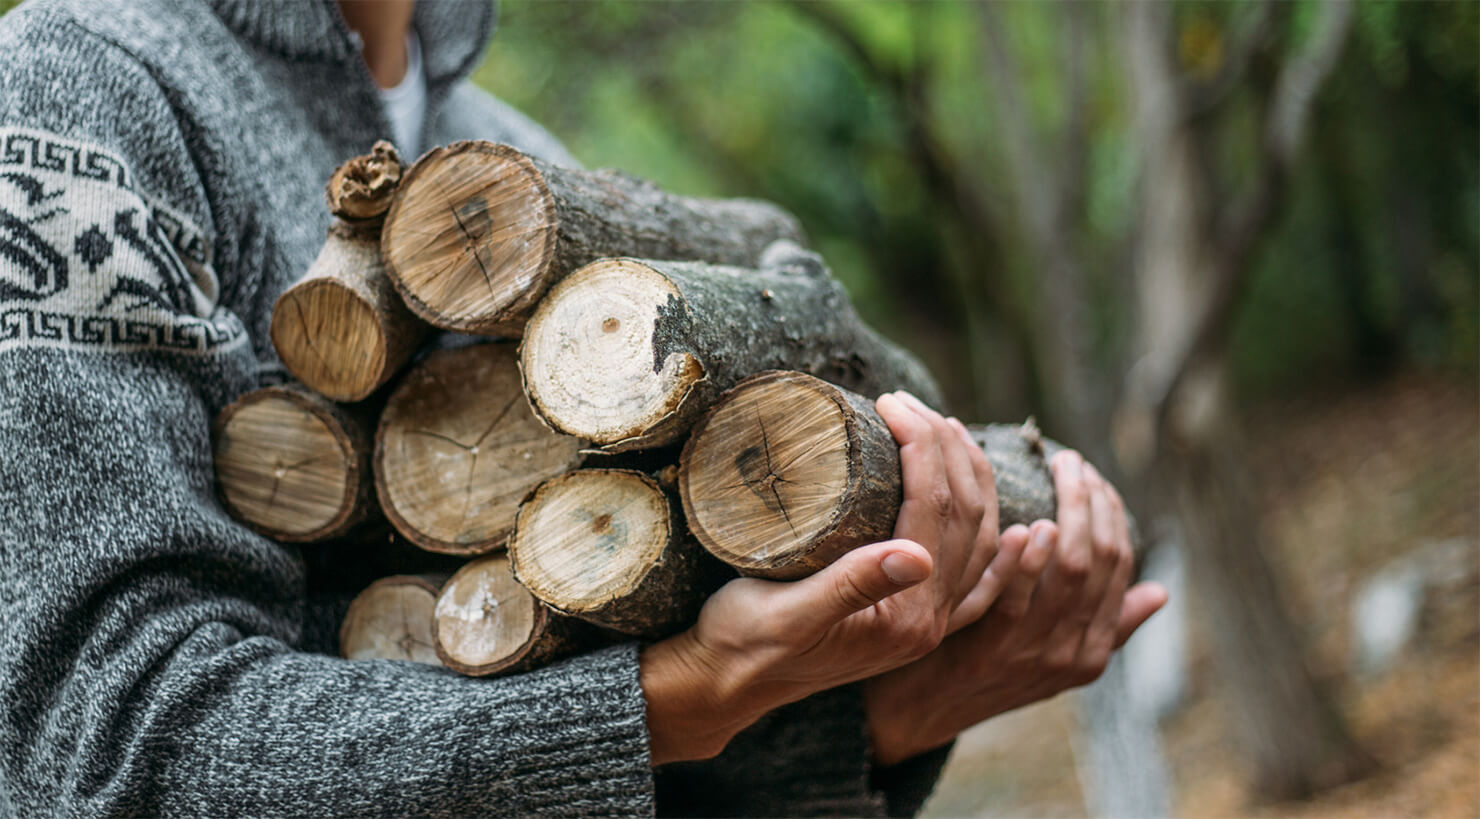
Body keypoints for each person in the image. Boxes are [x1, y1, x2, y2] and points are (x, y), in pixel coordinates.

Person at [0, 0, 1167, 815]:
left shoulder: (520, 164)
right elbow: (96, 747)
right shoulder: (73, 90)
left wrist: (865, 728)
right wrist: (657, 709)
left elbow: (593, 766)